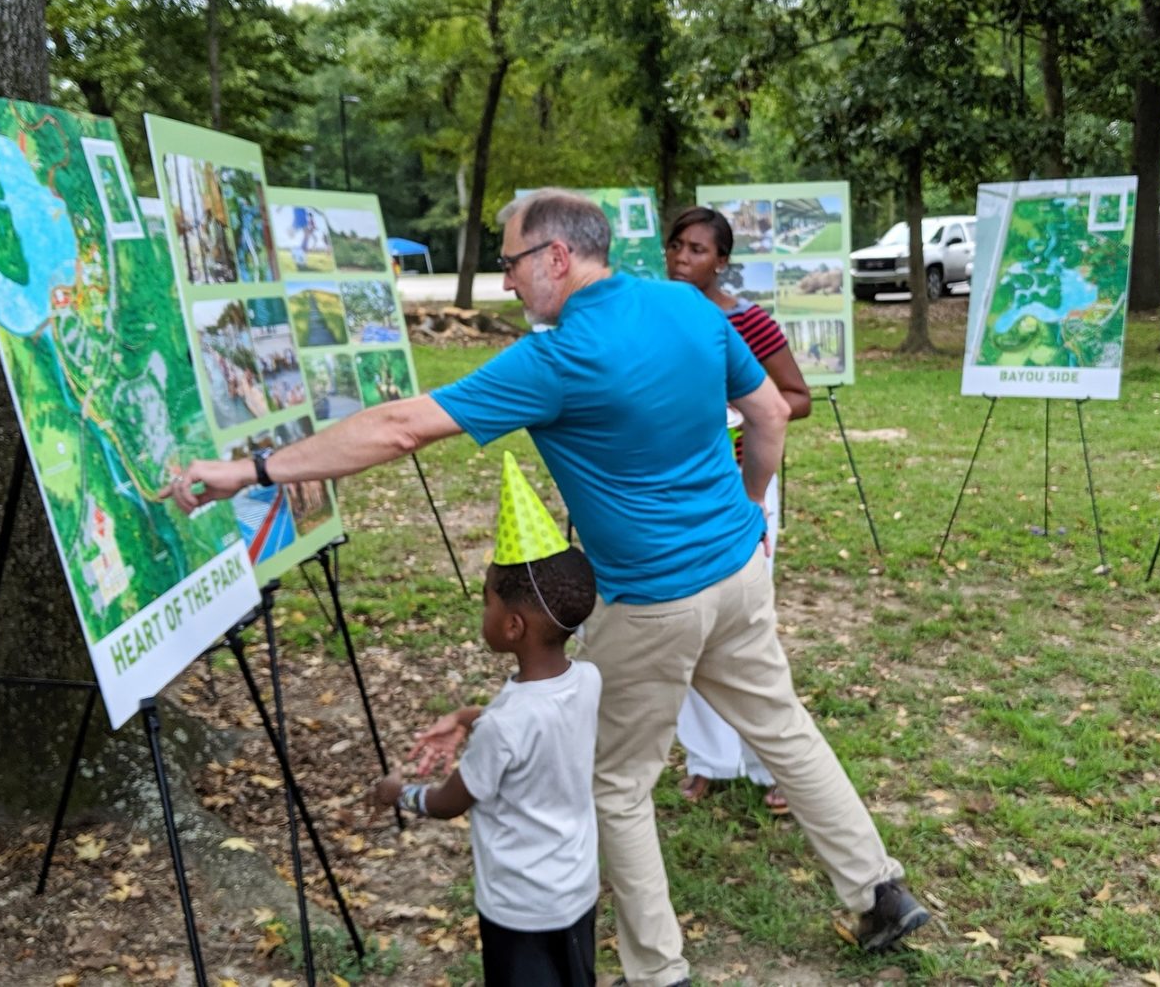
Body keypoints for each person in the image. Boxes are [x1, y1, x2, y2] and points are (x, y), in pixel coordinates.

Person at [165, 189, 927, 985]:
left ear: (557, 257)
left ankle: (658, 970)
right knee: (785, 729)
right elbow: (769, 414)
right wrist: (742, 507)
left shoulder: (559, 358)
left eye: (510, 263)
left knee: (619, 783)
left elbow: (398, 427)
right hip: (739, 573)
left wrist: (251, 469)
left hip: (652, 600)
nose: (504, 284)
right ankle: (878, 889)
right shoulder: (689, 306)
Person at [374, 453, 603, 987]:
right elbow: (536, 726)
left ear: (514, 626)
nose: (484, 614)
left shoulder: (505, 727)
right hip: (576, 887)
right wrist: (468, 714)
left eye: (487, 603)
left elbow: (453, 801)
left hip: (518, 906)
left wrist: (401, 793)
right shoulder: (586, 680)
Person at [662, 207, 811, 814]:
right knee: (688, 624)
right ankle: (708, 759)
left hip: (744, 487)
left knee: (747, 623)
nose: (681, 258)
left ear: (721, 261)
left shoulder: (751, 324)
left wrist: (743, 408)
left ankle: (769, 761)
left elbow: (796, 399)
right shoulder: (659, 318)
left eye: (696, 250)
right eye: (675, 246)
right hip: (677, 488)